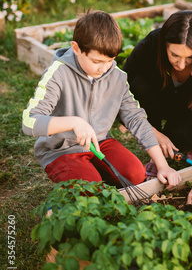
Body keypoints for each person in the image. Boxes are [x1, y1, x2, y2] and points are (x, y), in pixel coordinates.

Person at [22, 10, 181, 190]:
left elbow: (136, 119)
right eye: (96, 61)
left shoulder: (117, 77)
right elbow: (29, 121)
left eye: (110, 60)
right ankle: (58, 205)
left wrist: (162, 165)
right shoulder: (59, 73)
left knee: (136, 174)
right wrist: (74, 122)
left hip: (100, 143)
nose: (104, 68)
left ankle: (92, 173)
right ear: (76, 48)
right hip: (61, 150)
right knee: (90, 186)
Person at [123, 10, 192, 204]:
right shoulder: (153, 42)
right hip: (162, 101)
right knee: (140, 83)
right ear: (164, 44)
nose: (181, 64)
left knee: (183, 137)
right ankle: (155, 147)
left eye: (190, 57)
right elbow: (118, 88)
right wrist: (154, 134)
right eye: (174, 54)